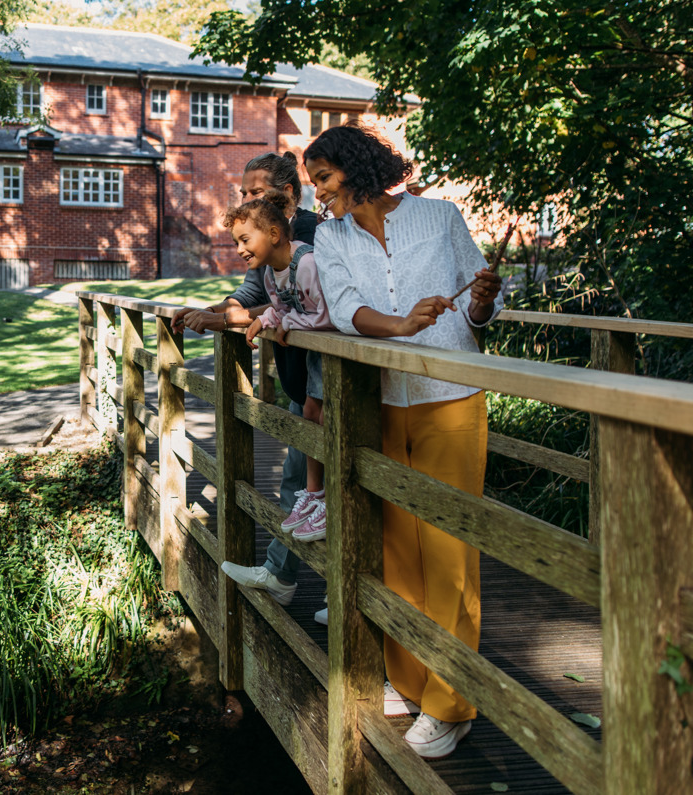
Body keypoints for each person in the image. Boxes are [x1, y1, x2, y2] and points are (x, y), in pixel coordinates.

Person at [304, 122, 502, 760]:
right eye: (314, 185)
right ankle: (410, 681)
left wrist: (483, 301)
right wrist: (401, 324)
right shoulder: (330, 236)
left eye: (325, 180)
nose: (320, 196)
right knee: (398, 549)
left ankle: (451, 703)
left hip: (452, 398)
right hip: (381, 398)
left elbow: (479, 304)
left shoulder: (440, 217)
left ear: (357, 169)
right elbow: (343, 307)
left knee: (447, 553)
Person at [170, 152, 321, 608]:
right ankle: (288, 576)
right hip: (302, 382)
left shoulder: (312, 234)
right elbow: (254, 295)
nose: (247, 199)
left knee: (314, 481)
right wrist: (209, 312)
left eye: (256, 191)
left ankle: (288, 576)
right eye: (244, 192)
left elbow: (299, 302)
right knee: (303, 481)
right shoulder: (261, 231)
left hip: (325, 383)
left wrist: (230, 320)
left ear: (289, 194)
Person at [236, 190, 334, 542]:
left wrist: (290, 324)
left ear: (274, 235)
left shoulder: (307, 264)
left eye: (245, 239)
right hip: (315, 355)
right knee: (310, 414)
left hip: (334, 353)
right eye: (237, 242)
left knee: (322, 417)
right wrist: (267, 320)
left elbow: (327, 313)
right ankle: (314, 493)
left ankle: (326, 499)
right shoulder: (268, 274)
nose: (239, 249)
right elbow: (281, 305)